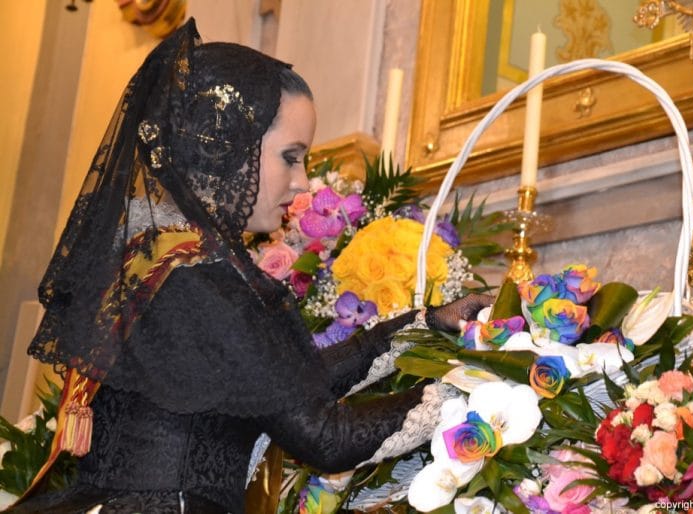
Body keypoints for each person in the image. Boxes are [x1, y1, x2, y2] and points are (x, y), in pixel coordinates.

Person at [8, 19, 491, 514]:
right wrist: (475, 388)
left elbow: (283, 386)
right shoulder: (198, 279)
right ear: (227, 146)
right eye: (291, 157)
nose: (302, 183)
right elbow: (327, 438)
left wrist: (423, 325)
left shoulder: (165, 256)